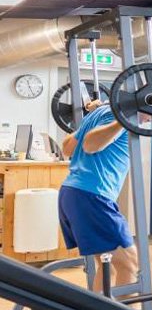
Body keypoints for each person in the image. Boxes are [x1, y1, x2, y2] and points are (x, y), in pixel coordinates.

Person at [58, 99, 137, 291]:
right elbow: (90, 145)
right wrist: (123, 121)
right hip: (92, 195)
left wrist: (92, 119)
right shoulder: (122, 117)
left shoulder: (97, 114)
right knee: (129, 262)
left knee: (106, 263)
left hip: (72, 193)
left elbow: (67, 148)